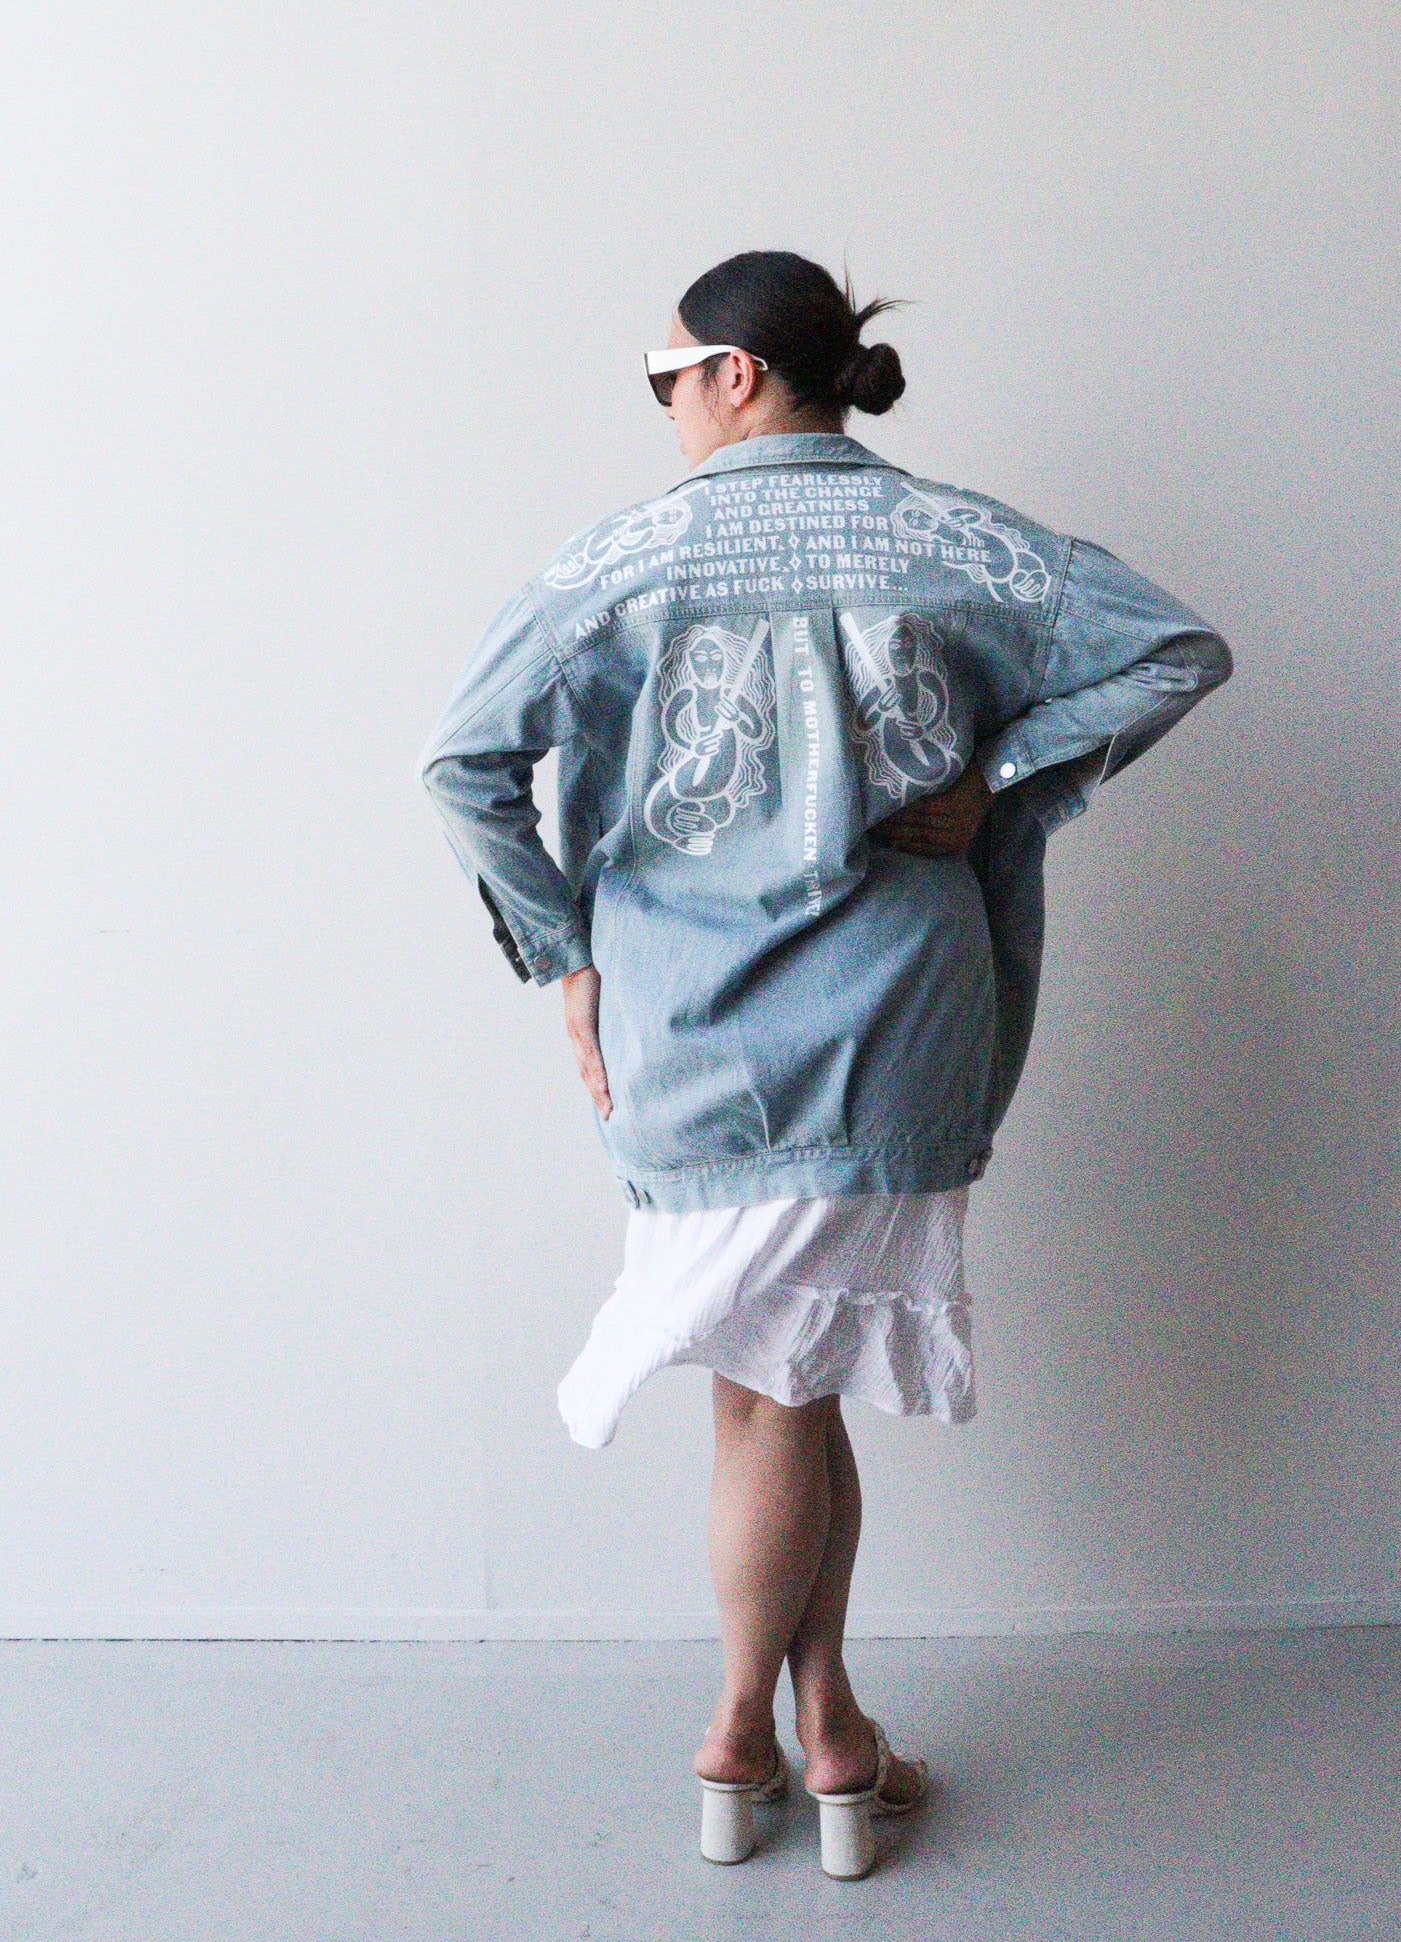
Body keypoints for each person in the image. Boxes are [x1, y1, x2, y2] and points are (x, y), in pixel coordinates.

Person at [418, 250, 1232, 1877]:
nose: (661, 406)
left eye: (663, 375)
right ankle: (824, 1734)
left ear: (731, 373)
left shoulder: (621, 561)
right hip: (896, 1014)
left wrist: (565, 955)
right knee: (786, 1379)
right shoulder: (960, 542)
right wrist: (997, 776)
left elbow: (464, 762)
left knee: (774, 1381)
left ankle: (746, 1738)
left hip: (692, 1025)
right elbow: (1174, 648)